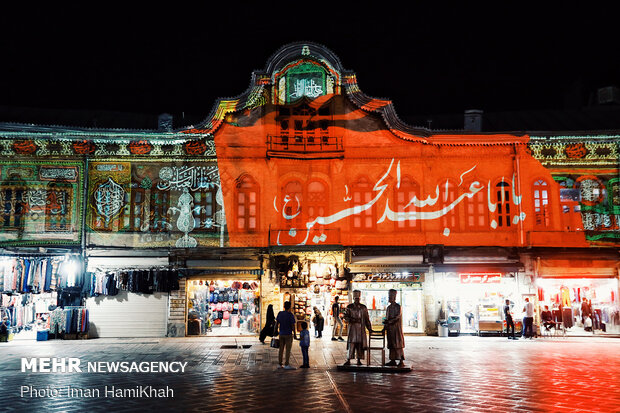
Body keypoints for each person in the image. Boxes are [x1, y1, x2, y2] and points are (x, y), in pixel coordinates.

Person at [343, 290, 372, 366]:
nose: (356, 300)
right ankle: (349, 359)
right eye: (355, 298)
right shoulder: (350, 307)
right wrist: (351, 319)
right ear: (353, 298)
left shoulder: (363, 308)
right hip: (352, 329)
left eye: (358, 298)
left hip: (360, 329)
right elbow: (345, 316)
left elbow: (366, 319)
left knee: (360, 345)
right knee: (351, 344)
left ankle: (359, 359)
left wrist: (369, 328)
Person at [384, 289, 405, 368]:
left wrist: (389, 322)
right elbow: (387, 317)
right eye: (389, 296)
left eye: (390, 297)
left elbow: (397, 317)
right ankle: (392, 360)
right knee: (391, 344)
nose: (389, 298)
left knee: (397, 344)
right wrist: (386, 324)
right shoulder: (389, 307)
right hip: (390, 329)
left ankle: (401, 360)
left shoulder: (398, 307)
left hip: (396, 329)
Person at [275, 301, 297, 369]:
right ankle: (286, 364)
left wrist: (275, 331)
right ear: (290, 307)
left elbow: (276, 323)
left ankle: (279, 363)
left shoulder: (280, 313)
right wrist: (295, 334)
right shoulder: (290, 315)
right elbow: (293, 325)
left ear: (284, 306)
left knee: (281, 349)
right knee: (288, 350)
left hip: (281, 334)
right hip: (288, 334)